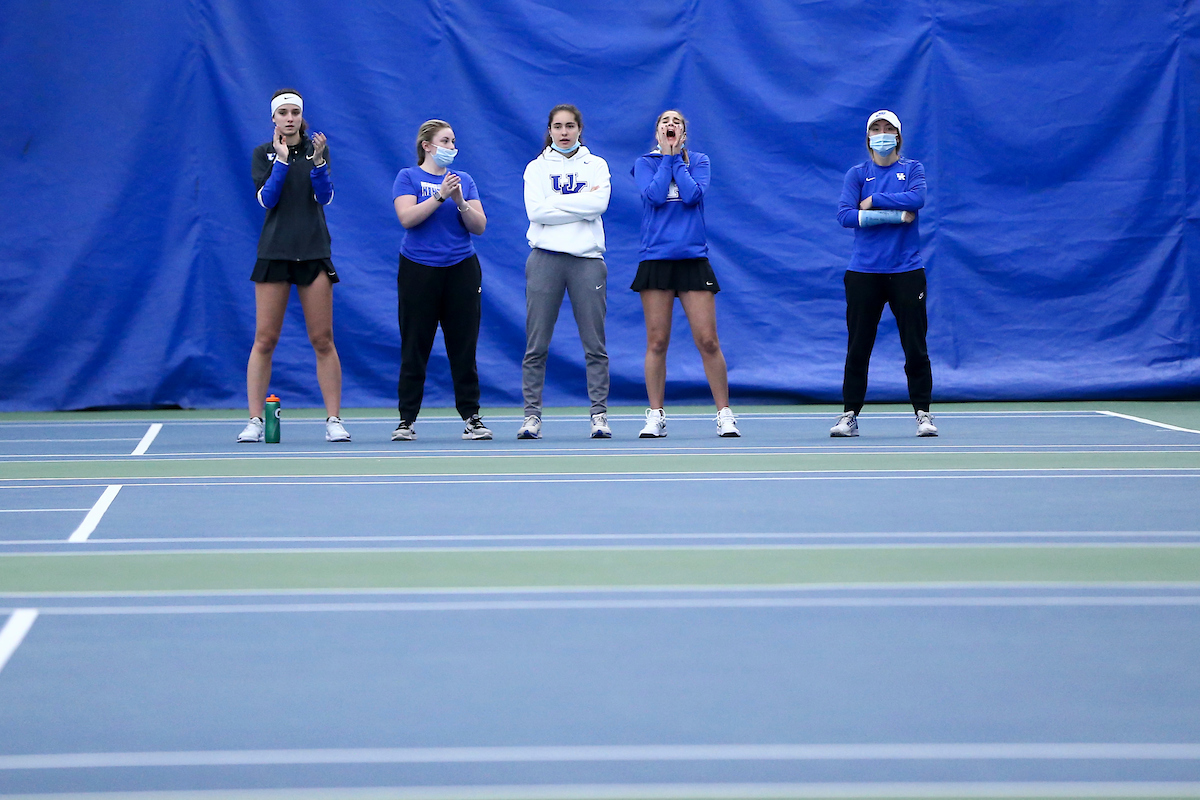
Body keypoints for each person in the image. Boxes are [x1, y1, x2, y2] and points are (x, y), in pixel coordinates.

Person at [238, 88, 349, 444]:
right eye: (283, 113)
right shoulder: (263, 154)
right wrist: (282, 161)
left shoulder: (319, 150)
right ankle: (255, 420)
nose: (289, 118)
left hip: (314, 253)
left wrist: (316, 162)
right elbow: (266, 199)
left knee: (322, 338)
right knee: (265, 339)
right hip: (275, 253)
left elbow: (325, 197)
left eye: (295, 113)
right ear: (274, 118)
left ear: (302, 117)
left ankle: (333, 419)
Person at [630, 109, 739, 438]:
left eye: (676, 122)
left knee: (707, 340)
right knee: (657, 341)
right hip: (656, 260)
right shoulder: (644, 164)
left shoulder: (700, 161)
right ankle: (656, 415)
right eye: (665, 122)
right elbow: (654, 196)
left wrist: (678, 159)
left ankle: (724, 414)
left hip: (693, 259)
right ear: (657, 132)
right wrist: (666, 158)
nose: (671, 125)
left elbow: (692, 195)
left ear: (684, 133)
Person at [832, 110, 936, 437]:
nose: (882, 133)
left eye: (888, 128)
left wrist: (874, 200)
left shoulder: (912, 169)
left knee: (915, 346)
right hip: (864, 273)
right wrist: (892, 216)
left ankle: (923, 414)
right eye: (876, 128)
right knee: (858, 347)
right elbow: (845, 215)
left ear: (898, 136)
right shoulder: (857, 173)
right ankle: (849, 415)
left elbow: (916, 199)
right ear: (868, 137)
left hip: (907, 271)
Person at [391, 119, 492, 441]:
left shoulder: (463, 180)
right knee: (414, 344)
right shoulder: (408, 177)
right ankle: (406, 420)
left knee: (463, 345)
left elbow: (478, 226)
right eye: (445, 141)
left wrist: (459, 200)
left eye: (453, 141)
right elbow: (407, 218)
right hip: (418, 270)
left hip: (461, 269)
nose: (451, 147)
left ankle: (472, 417)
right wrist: (438, 197)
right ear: (427, 146)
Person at [517, 104, 612, 440]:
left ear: (579, 129)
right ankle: (532, 416)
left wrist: (555, 204)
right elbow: (535, 211)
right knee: (536, 343)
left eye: (570, 126)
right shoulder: (536, 168)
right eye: (558, 126)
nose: (564, 132)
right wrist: (579, 202)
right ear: (550, 130)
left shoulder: (596, 165)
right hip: (545, 259)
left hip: (587, 261)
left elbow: (599, 205)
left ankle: (598, 415)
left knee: (594, 344)